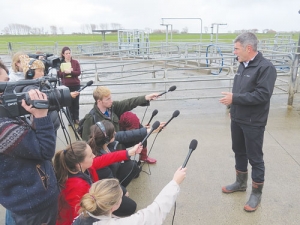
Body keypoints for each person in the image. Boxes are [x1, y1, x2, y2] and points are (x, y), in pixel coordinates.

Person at [219, 32, 277, 212]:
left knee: (255, 158)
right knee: (238, 151)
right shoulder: (242, 64)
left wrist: (234, 99)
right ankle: (240, 183)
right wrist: (232, 109)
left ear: (248, 48)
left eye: (236, 48)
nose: (234, 52)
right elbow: (239, 89)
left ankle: (256, 193)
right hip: (237, 118)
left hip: (253, 121)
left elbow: (262, 95)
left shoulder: (266, 68)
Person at [0, 89, 59, 224]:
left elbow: (29, 141)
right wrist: (41, 116)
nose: (10, 91)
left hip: (20, 199)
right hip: (32, 207)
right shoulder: (2, 127)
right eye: (3, 86)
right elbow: (45, 150)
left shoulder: (5, 114)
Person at [53, 141, 142, 225]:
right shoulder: (76, 187)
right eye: (90, 155)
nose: (94, 155)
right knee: (131, 207)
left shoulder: (83, 167)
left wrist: (128, 153)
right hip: (88, 211)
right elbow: (79, 216)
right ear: (79, 163)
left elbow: (105, 159)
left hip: (95, 198)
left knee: (129, 203)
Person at [73, 166, 187, 225]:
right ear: (113, 207)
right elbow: (153, 213)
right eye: (120, 199)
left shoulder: (80, 217)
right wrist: (174, 183)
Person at [81, 86, 159, 161]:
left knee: (141, 133)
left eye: (110, 98)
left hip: (120, 142)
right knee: (131, 168)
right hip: (107, 150)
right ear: (99, 101)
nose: (111, 100)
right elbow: (86, 143)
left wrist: (146, 97)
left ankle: (143, 157)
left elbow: (128, 103)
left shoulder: (112, 107)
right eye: (108, 99)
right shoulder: (91, 118)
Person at [88, 120, 142, 188]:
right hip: (108, 182)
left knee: (133, 165)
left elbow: (127, 136)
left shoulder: (106, 145)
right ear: (107, 139)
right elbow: (109, 182)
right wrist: (123, 191)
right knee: (132, 167)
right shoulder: (100, 161)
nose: (115, 133)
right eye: (113, 133)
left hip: (114, 171)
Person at [57, 46, 81, 125]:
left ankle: (76, 119)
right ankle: (70, 120)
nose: (68, 55)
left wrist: (71, 72)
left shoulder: (75, 62)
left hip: (76, 84)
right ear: (63, 54)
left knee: (76, 103)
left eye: (69, 53)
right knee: (68, 104)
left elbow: (78, 72)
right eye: (66, 53)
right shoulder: (61, 63)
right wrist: (65, 73)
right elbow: (59, 74)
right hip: (66, 86)